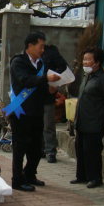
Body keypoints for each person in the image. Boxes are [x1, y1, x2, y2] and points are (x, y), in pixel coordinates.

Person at [6, 32, 60, 192]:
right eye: (40, 46)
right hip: (21, 111)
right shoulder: (18, 62)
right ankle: (17, 180)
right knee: (20, 148)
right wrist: (46, 79)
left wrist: (52, 90)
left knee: (36, 148)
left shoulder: (41, 63)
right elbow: (26, 81)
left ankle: (29, 174)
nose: (42, 50)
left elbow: (42, 87)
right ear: (30, 46)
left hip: (37, 111)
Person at [71, 47, 104, 189]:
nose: (85, 62)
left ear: (97, 62)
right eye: (84, 59)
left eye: (88, 60)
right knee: (80, 150)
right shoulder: (87, 77)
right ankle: (81, 176)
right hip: (82, 120)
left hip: (94, 122)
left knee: (92, 151)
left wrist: (102, 117)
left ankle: (95, 178)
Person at [36, 31, 68, 164]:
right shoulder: (28, 56)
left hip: (48, 94)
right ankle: (39, 149)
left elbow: (63, 67)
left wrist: (55, 84)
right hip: (33, 95)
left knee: (48, 124)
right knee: (36, 125)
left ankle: (50, 151)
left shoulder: (51, 52)